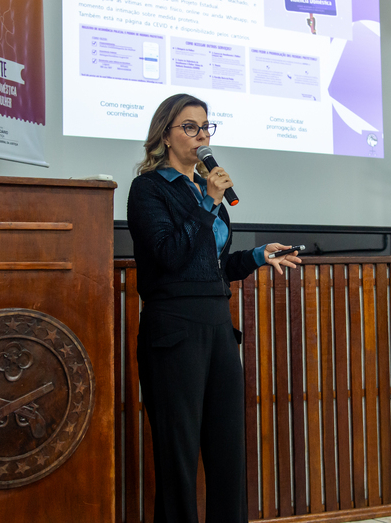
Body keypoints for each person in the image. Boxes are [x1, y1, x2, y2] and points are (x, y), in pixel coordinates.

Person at [126, 93, 301, 523]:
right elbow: (170, 255)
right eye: (190, 127)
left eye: (206, 127)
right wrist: (207, 200)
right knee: (178, 457)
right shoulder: (148, 188)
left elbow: (211, 264)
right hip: (173, 330)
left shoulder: (204, 191)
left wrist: (257, 257)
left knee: (228, 451)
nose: (202, 136)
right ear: (165, 135)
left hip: (218, 327)